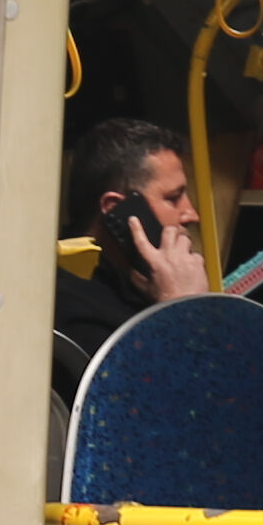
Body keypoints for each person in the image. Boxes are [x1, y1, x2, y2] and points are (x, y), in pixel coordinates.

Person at [55, 115, 208, 362]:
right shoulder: (75, 314)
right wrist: (184, 311)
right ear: (117, 208)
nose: (192, 214)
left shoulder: (136, 288)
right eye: (173, 198)